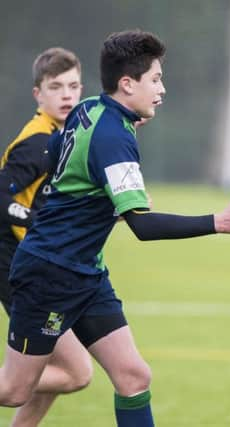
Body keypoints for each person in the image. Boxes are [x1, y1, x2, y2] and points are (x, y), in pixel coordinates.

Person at [0, 30, 230, 427]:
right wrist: (217, 222)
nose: (162, 88)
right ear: (127, 84)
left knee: (133, 376)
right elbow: (142, 226)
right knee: (13, 391)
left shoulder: (90, 109)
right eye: (155, 79)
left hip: (86, 274)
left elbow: (59, 156)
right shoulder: (112, 137)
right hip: (50, 275)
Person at [0, 47, 93, 427]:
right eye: (56, 87)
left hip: (38, 265)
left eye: (73, 86)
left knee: (60, 366)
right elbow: (2, 195)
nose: (67, 95)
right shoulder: (38, 141)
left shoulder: (63, 134)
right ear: (38, 94)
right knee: (74, 372)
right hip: (15, 263)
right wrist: (35, 219)